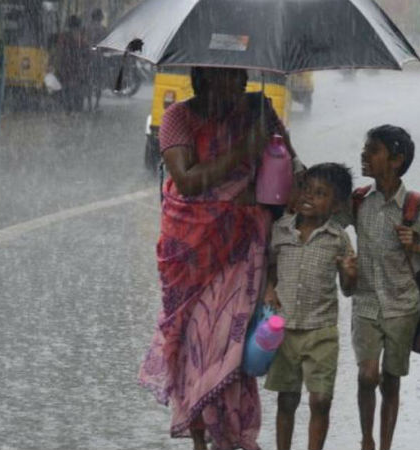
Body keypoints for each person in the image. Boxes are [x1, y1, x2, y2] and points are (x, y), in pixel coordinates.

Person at [137, 67, 298, 450]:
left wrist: (269, 182)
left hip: (243, 247)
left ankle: (230, 439)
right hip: (191, 252)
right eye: (228, 75)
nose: (239, 82)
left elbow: (287, 165)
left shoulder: (259, 109)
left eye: (241, 75)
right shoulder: (179, 117)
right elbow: (188, 180)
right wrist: (242, 151)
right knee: (194, 346)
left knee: (229, 346)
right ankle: (199, 441)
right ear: (202, 78)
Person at [353, 125, 420, 450]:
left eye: (373, 151)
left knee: (391, 380)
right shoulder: (358, 202)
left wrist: (419, 246)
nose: (364, 155)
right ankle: (367, 439)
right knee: (367, 375)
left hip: (403, 307)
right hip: (366, 304)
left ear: (395, 160)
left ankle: (385, 444)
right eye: (365, 149)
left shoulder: (416, 207)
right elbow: (324, 213)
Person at [263, 163, 357, 450]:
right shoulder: (280, 230)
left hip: (321, 332)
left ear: (336, 204)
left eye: (320, 193)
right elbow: (269, 266)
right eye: (305, 189)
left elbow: (348, 289)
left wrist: (350, 273)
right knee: (287, 398)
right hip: (285, 328)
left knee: (320, 400)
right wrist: (268, 289)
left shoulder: (338, 238)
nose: (308, 197)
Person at [54, 15, 89, 113]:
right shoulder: (81, 38)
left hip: (67, 68)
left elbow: (59, 52)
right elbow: (86, 53)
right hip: (75, 69)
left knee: (68, 90)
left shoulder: (64, 37)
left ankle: (69, 109)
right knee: (74, 90)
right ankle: (73, 110)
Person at [85, 8, 108, 111]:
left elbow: (84, 42)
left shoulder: (87, 28)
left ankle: (89, 104)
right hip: (99, 58)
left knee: (89, 81)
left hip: (88, 58)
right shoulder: (103, 29)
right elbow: (106, 45)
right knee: (98, 82)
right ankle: (96, 105)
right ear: (100, 17)